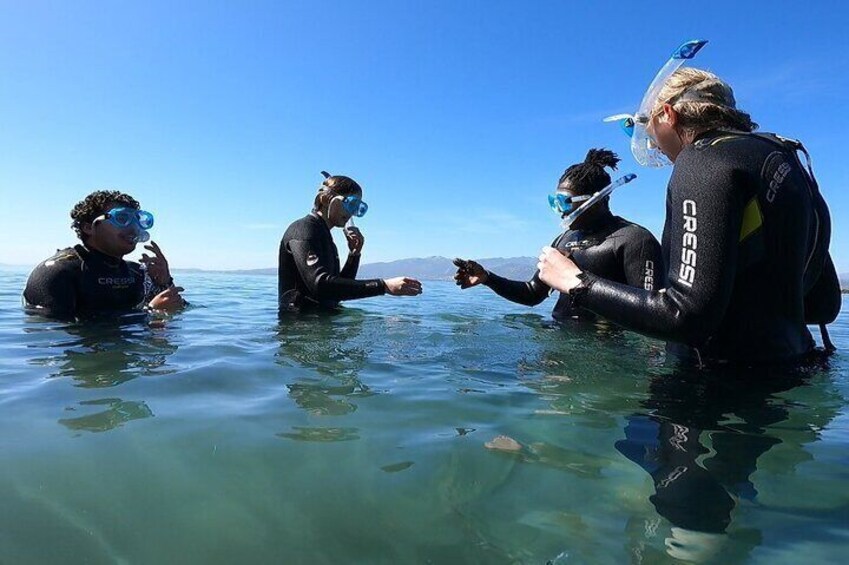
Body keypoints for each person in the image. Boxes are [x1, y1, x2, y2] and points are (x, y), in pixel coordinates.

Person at [538, 64, 841, 365]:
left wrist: (576, 281)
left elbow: (684, 316)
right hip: (795, 368)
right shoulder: (783, 157)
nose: (651, 142)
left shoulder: (702, 160)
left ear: (668, 115)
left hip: (716, 389)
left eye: (644, 127)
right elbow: (824, 305)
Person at [454, 149, 663, 321]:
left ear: (597, 199)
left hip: (608, 351)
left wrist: (579, 282)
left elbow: (652, 312)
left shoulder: (635, 240)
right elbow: (532, 293)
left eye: (564, 202)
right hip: (558, 345)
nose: (560, 211)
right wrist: (487, 278)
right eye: (554, 202)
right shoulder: (564, 240)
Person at [23, 190, 185, 321]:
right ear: (88, 227)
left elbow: (179, 311)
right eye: (122, 218)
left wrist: (164, 283)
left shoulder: (136, 272)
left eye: (137, 220)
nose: (134, 228)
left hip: (127, 357)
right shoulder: (58, 272)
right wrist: (150, 312)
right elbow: (55, 334)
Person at [278, 172, 422, 314]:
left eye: (358, 208)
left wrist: (354, 254)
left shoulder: (325, 237)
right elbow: (320, 285)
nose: (352, 213)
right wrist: (383, 286)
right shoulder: (303, 230)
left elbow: (337, 291)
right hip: (298, 328)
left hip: (321, 325)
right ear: (326, 199)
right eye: (351, 204)